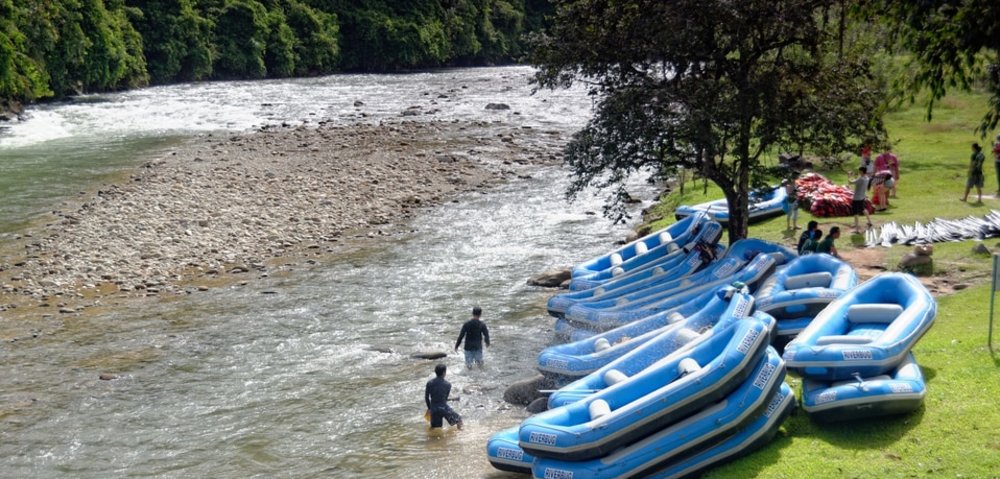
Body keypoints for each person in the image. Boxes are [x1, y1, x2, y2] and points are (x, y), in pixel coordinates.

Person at [425, 363, 462, 430]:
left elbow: (427, 398)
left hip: (434, 409)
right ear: (444, 372)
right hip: (444, 408)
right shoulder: (448, 384)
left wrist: (429, 408)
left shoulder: (429, 383)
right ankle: (460, 435)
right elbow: (444, 399)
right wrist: (454, 399)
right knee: (458, 419)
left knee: (435, 428)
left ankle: (431, 439)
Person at [847, 167, 872, 231]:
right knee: (863, 209)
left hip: (857, 198)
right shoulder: (866, 178)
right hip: (862, 196)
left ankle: (857, 229)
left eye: (859, 171)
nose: (859, 172)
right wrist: (853, 177)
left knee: (856, 213)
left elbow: (850, 182)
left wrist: (849, 176)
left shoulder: (861, 179)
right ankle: (869, 222)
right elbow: (856, 181)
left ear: (862, 172)